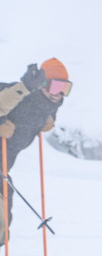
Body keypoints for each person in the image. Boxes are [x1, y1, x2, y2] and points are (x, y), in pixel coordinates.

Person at [0, 58, 70, 245]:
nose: (60, 94)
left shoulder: (44, 109)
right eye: (56, 87)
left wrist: (46, 122)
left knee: (2, 227)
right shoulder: (14, 93)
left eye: (65, 89)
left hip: (2, 172)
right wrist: (24, 87)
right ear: (42, 84)